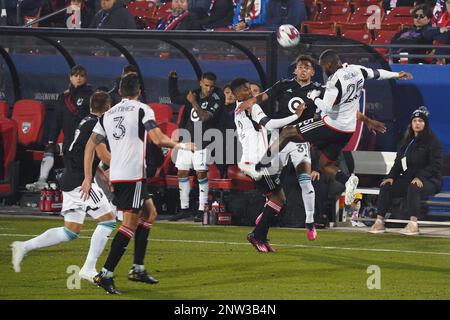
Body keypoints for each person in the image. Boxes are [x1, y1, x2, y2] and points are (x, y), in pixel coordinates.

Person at [241, 49, 413, 208]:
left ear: (328, 65)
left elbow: (327, 108)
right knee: (325, 164)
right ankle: (348, 180)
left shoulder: (332, 83)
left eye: (322, 67)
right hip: (347, 130)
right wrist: (397, 74)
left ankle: (260, 166)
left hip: (332, 125)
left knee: (288, 132)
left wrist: (315, 98)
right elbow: (377, 74)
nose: (324, 70)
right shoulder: (356, 70)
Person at [81, 73, 194, 294]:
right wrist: (181, 146)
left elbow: (89, 147)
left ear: (120, 92)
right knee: (129, 225)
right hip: (132, 175)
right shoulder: (143, 109)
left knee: (149, 213)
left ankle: (138, 267)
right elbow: (158, 139)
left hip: (123, 175)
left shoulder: (107, 114)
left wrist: (88, 177)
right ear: (139, 91)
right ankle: (106, 274)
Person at [11, 91, 116, 282]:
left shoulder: (85, 121)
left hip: (70, 177)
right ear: (108, 108)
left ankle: (24, 246)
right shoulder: (99, 124)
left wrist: (99, 174)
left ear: (91, 105)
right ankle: (88, 268)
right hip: (81, 182)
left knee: (70, 231)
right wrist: (125, 165)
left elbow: (78, 150)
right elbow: (101, 154)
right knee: (108, 220)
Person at [238, 55, 325, 240]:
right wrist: (250, 101)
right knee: (270, 180)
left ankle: (310, 222)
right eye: (300, 67)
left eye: (307, 67)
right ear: (295, 70)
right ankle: (267, 209)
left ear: (312, 72)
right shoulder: (284, 85)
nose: (303, 70)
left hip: (301, 140)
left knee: (305, 181)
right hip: (279, 138)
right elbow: (263, 96)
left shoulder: (319, 90)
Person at [231, 78, 305, 252]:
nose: (249, 91)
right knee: (278, 199)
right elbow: (269, 124)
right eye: (244, 89)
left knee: (278, 198)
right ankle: (258, 233)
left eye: (250, 88)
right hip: (257, 164)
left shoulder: (242, 108)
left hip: (254, 162)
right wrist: (296, 116)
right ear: (236, 94)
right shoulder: (250, 107)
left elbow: (265, 129)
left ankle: (261, 232)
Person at [369, 107, 443, 235]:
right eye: (415, 120)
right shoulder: (406, 141)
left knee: (413, 187)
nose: (417, 123)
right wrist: (391, 176)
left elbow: (435, 165)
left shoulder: (433, 141)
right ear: (411, 123)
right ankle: (380, 222)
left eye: (421, 121)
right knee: (386, 186)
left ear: (425, 123)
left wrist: (420, 177)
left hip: (430, 180)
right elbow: (399, 162)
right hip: (410, 180)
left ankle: (413, 224)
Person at [26, 65, 93, 192]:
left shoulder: (91, 95)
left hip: (84, 141)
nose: (78, 78)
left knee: (80, 173)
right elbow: (56, 121)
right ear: (70, 78)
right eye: (75, 75)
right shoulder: (63, 97)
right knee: (68, 169)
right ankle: (44, 182)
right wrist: (52, 140)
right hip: (68, 142)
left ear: (86, 78)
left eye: (81, 75)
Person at [168, 71, 224, 222]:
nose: (209, 89)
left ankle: (202, 209)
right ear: (200, 83)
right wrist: (172, 80)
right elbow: (175, 98)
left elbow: (204, 117)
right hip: (187, 140)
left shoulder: (217, 99)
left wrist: (193, 102)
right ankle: (184, 208)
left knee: (201, 173)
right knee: (182, 172)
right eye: (206, 85)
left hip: (204, 141)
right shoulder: (193, 93)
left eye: (212, 86)